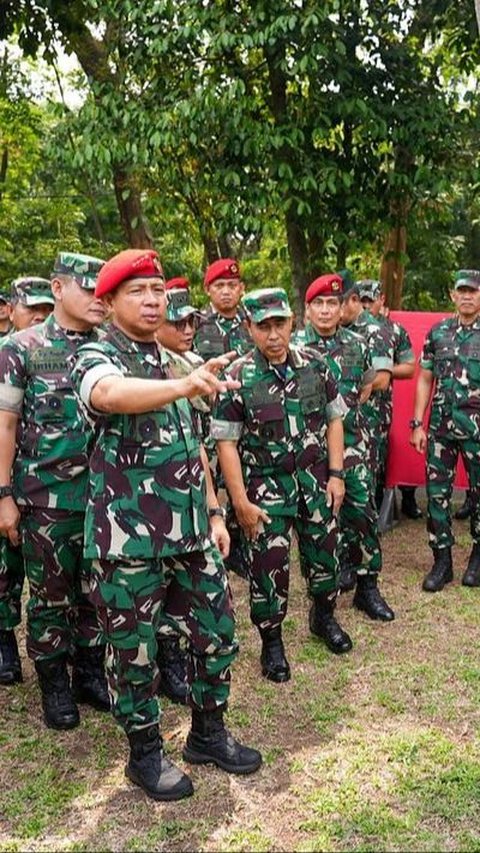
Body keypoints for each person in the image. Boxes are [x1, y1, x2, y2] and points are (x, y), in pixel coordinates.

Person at [71, 248, 262, 803]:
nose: (153, 300)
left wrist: (216, 511)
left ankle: (208, 733)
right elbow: (108, 395)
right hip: (127, 540)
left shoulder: (175, 361)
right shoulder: (96, 355)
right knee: (134, 653)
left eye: (158, 290)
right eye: (138, 292)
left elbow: (194, 447)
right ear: (107, 303)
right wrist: (185, 384)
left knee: (217, 632)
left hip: (191, 533)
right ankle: (145, 755)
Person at [211, 287, 352, 686]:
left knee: (325, 561)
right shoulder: (237, 377)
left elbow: (334, 420)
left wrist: (337, 475)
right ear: (249, 328)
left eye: (280, 324)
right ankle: (271, 641)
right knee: (269, 571)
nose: (274, 334)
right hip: (266, 492)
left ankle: (323, 617)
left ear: (293, 323)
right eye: (264, 326)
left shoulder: (316, 366)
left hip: (314, 484)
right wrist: (238, 500)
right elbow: (226, 443)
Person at [0, 253, 110, 729]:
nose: (96, 300)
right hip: (45, 498)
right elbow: (5, 424)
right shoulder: (21, 347)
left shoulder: (109, 347)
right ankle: (54, 684)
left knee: (95, 592)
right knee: (50, 597)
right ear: (59, 288)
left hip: (104, 496)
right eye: (87, 289)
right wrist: (3, 494)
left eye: (102, 292)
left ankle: (87, 673)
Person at [301, 274, 394, 621]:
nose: (326, 311)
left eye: (332, 304)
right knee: (319, 524)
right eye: (318, 304)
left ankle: (367, 587)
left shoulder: (358, 344)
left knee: (362, 514)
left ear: (343, 308)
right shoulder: (294, 348)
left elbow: (369, 384)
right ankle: (322, 595)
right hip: (310, 453)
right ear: (307, 310)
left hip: (354, 446)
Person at [0, 276, 55, 685]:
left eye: (46, 308)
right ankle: (4, 642)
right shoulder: (7, 352)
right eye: (31, 307)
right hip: (5, 477)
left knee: (45, 576)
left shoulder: (51, 354)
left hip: (41, 484)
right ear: (11, 310)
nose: (39, 315)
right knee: (4, 568)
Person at [410, 269, 480, 591]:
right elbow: (425, 377)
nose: (467, 296)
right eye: (461, 291)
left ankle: (477, 558)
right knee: (436, 495)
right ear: (452, 295)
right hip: (440, 430)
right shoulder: (438, 333)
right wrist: (416, 422)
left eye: (473, 291)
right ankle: (442, 562)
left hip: (477, 431)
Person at [357, 279, 416, 514]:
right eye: (360, 301)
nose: (364, 306)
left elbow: (410, 367)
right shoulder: (349, 328)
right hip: (351, 408)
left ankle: (375, 513)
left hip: (377, 411)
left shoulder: (394, 330)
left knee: (375, 464)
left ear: (381, 300)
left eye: (369, 301)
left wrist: (385, 370)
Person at [194, 258, 251, 360]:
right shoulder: (196, 322)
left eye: (232, 285)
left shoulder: (251, 322)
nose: (226, 292)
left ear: (241, 288)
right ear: (207, 289)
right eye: (219, 286)